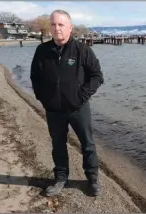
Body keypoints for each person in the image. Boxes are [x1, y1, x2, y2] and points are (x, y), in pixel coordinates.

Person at [30, 9, 104, 197]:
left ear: (70, 28)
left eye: (61, 24)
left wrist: (81, 96)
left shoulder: (82, 50)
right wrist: (44, 99)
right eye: (53, 24)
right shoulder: (42, 51)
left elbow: (96, 76)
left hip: (78, 108)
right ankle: (61, 177)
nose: (57, 28)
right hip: (54, 110)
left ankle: (92, 178)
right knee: (58, 144)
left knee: (87, 143)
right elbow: (35, 78)